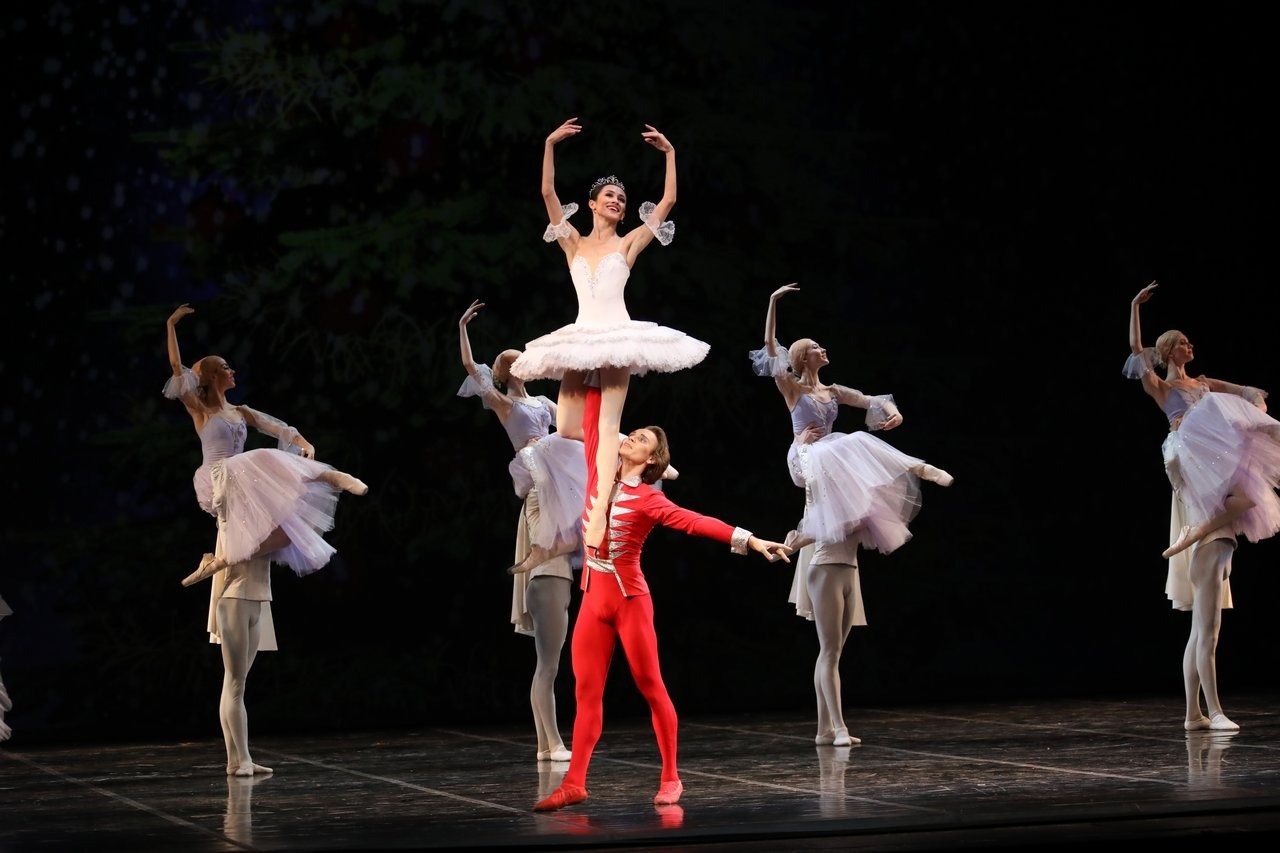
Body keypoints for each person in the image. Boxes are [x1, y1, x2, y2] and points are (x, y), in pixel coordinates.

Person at [531, 385, 793, 812]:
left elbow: (694, 521)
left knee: (651, 685)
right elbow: (596, 419)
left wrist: (749, 539)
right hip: (593, 600)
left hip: (629, 602)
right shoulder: (599, 470)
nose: (631, 437)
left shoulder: (650, 499)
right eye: (633, 433)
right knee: (586, 693)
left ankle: (671, 776)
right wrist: (592, 365)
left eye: (641, 439)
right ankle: (575, 782)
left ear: (651, 460)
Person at [164, 303, 368, 774]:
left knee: (285, 528)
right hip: (222, 479)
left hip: (244, 502)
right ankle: (332, 477)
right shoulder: (201, 409)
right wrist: (171, 326)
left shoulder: (239, 411)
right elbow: (176, 369)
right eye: (225, 367)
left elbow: (276, 425)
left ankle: (243, 760)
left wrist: (299, 442)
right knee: (257, 464)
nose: (232, 370)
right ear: (210, 376)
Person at [510, 118, 709, 557]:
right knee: (567, 427)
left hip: (617, 337)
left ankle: (599, 510)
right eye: (610, 197)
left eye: (622, 198)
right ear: (593, 205)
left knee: (606, 423)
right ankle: (641, 458)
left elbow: (668, 201)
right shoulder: (573, 243)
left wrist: (670, 153)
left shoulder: (628, 244)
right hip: (582, 337)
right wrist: (549, 143)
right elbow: (547, 193)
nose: (617, 202)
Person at [1124, 280, 1280, 732]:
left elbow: (1245, 392)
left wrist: (1256, 405)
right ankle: (1209, 710)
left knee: (1243, 480)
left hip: (1212, 456)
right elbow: (1135, 349)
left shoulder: (1205, 383)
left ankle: (1195, 713)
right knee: (1209, 419)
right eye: (1185, 342)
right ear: (1170, 349)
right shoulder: (1162, 387)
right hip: (1186, 450)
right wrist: (1135, 306)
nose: (1191, 347)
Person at [457, 298, 586, 763]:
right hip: (536, 480)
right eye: (509, 361)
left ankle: (548, 743)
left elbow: (574, 423)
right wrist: (463, 327)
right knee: (548, 660)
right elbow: (470, 367)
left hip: (560, 477)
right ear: (504, 372)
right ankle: (549, 742)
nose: (517, 364)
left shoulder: (543, 402)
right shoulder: (505, 404)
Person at [749, 283, 953, 555]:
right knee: (856, 439)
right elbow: (770, 346)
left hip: (830, 457)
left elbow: (870, 400)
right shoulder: (793, 389)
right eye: (815, 347)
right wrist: (773, 300)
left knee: (858, 515)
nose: (823, 349)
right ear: (803, 358)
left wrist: (894, 412)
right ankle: (920, 468)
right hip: (804, 457)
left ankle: (794, 543)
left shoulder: (833, 392)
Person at [787, 535, 867, 748]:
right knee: (830, 652)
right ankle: (840, 727)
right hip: (825, 570)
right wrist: (787, 545)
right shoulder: (824, 511)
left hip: (850, 571)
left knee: (832, 653)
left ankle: (825, 730)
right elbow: (811, 533)